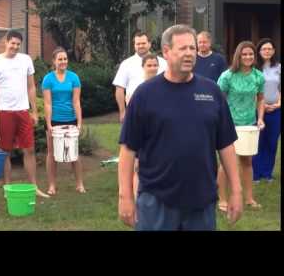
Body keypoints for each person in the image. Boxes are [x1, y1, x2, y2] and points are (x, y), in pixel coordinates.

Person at [118, 24, 243, 231]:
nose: (189, 54)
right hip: (156, 200)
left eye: (192, 48)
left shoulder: (212, 92)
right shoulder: (145, 94)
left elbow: (226, 146)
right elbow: (128, 148)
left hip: (201, 200)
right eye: (182, 48)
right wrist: (125, 196)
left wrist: (236, 191)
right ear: (166, 52)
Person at [0, 30, 49, 198]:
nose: (15, 47)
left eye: (18, 44)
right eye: (12, 43)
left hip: (22, 111)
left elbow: (31, 87)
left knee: (29, 149)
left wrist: (34, 111)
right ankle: (7, 189)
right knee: (4, 152)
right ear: (6, 42)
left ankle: (34, 187)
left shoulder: (26, 60)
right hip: (3, 112)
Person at [217, 41, 265, 211]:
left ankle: (249, 198)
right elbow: (218, 98)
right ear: (238, 55)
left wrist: (260, 118)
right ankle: (222, 199)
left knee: (247, 161)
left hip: (249, 124)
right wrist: (221, 119)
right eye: (244, 54)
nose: (248, 57)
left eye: (251, 54)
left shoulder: (258, 76)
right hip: (229, 125)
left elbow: (260, 99)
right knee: (226, 162)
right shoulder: (227, 76)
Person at [42, 47, 84, 196]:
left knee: (74, 153)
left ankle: (79, 184)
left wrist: (79, 122)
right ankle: (52, 186)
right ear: (54, 61)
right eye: (60, 59)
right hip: (54, 120)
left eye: (65, 59)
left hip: (70, 119)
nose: (63, 62)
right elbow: (47, 103)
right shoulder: (48, 79)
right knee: (51, 153)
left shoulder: (74, 78)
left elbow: (76, 101)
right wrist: (48, 124)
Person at [113, 31, 166, 123]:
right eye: (138, 44)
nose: (141, 46)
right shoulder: (126, 64)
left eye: (143, 43)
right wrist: (122, 112)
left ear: (149, 44)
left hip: (160, 110)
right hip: (134, 111)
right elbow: (119, 88)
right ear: (134, 45)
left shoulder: (163, 63)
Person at [129, 53, 160, 201]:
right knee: (138, 166)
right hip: (142, 133)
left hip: (159, 134)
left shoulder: (164, 87)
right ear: (143, 67)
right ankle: (137, 198)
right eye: (149, 65)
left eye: (155, 65)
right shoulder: (138, 89)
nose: (153, 68)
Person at [253, 38, 281, 182]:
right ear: (259, 51)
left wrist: (279, 103)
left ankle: (267, 173)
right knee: (258, 142)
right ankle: (256, 174)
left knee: (271, 142)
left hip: (276, 111)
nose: (267, 51)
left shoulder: (279, 68)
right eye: (264, 49)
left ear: (274, 51)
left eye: (270, 48)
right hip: (257, 111)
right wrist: (262, 106)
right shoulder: (253, 68)